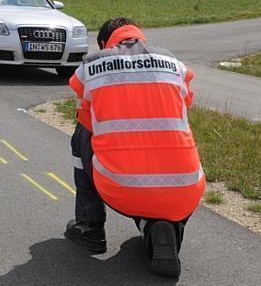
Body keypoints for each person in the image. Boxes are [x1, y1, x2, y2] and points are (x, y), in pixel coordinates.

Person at [64, 17, 205, 278]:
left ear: (104, 43)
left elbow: (86, 120)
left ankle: (89, 226)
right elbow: (185, 105)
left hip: (118, 185)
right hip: (184, 187)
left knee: (81, 134)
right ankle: (161, 227)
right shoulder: (174, 64)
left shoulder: (92, 64)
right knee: (172, 137)